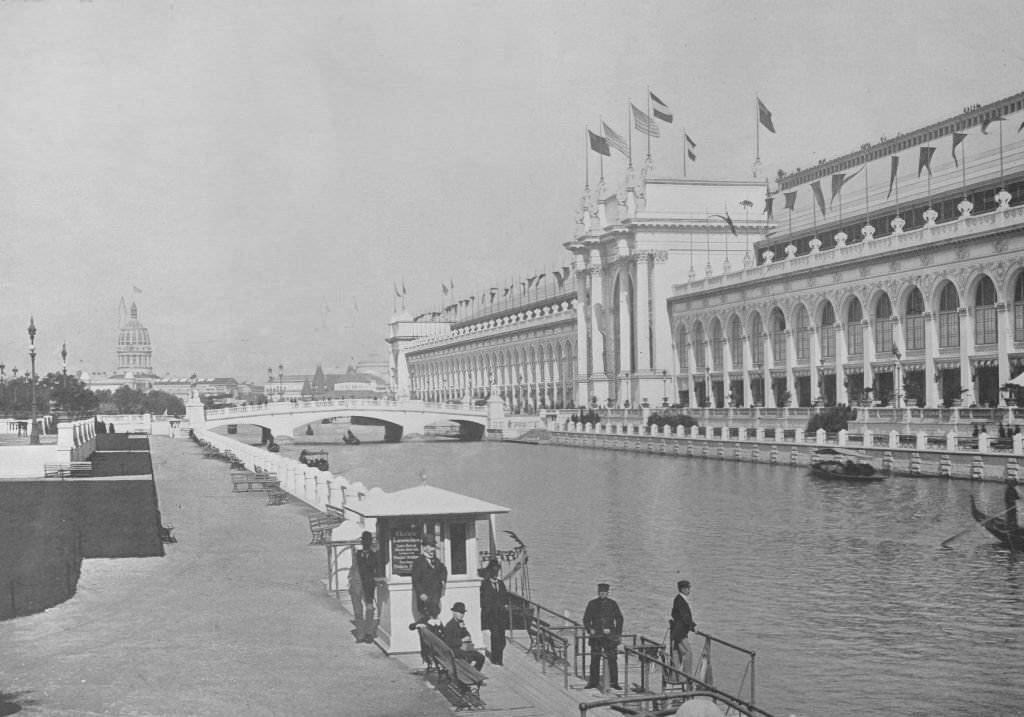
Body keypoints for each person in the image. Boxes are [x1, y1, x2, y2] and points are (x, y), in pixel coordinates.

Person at [582, 582, 623, 690]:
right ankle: (593, 682)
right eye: (600, 592)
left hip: (609, 637)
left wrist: (615, 632)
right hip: (596, 636)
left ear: (607, 593)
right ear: (598, 592)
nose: (602, 594)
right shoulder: (592, 604)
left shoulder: (613, 604)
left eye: (604, 592)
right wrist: (590, 629)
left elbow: (619, 619)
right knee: (595, 659)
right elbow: (586, 619)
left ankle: (614, 682)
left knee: (612, 659)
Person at [479, 558, 510, 665]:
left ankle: (498, 656)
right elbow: (483, 599)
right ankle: (497, 659)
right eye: (493, 570)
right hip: (492, 616)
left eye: (497, 570)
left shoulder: (500, 584)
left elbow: (505, 596)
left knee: (502, 639)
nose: (495, 573)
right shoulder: (485, 584)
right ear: (490, 571)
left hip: (501, 616)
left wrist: (505, 605)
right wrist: (488, 609)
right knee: (495, 636)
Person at [410, 536, 447, 621]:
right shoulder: (418, 562)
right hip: (425, 599)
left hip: (436, 598)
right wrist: (421, 593)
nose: (433, 549)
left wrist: (442, 582)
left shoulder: (436, 561)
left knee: (435, 620)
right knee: (426, 621)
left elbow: (444, 570)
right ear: (424, 547)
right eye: (430, 546)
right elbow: (416, 580)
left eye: (433, 546)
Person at [443, 602, 485, 671]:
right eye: (460, 612)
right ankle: (469, 677)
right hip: (454, 650)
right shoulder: (450, 625)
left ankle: (474, 676)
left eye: (463, 613)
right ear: (454, 613)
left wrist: (463, 629)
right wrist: (462, 640)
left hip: (463, 649)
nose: (462, 615)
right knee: (469, 658)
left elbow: (468, 635)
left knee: (481, 657)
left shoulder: (460, 623)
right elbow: (448, 643)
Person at [669, 580, 697, 679]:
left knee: (676, 654)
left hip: (676, 631)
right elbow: (685, 616)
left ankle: (674, 677)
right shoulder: (681, 600)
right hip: (680, 633)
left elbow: (674, 614)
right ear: (683, 589)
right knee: (688, 654)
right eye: (688, 588)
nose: (690, 590)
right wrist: (693, 627)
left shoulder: (678, 599)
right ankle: (687, 677)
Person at [354, 530, 378, 643]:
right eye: (364, 541)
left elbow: (374, 567)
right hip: (358, 584)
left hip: (368, 584)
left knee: (369, 608)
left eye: (368, 541)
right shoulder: (357, 554)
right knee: (358, 611)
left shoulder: (374, 555)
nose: (366, 543)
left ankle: (368, 632)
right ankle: (360, 634)